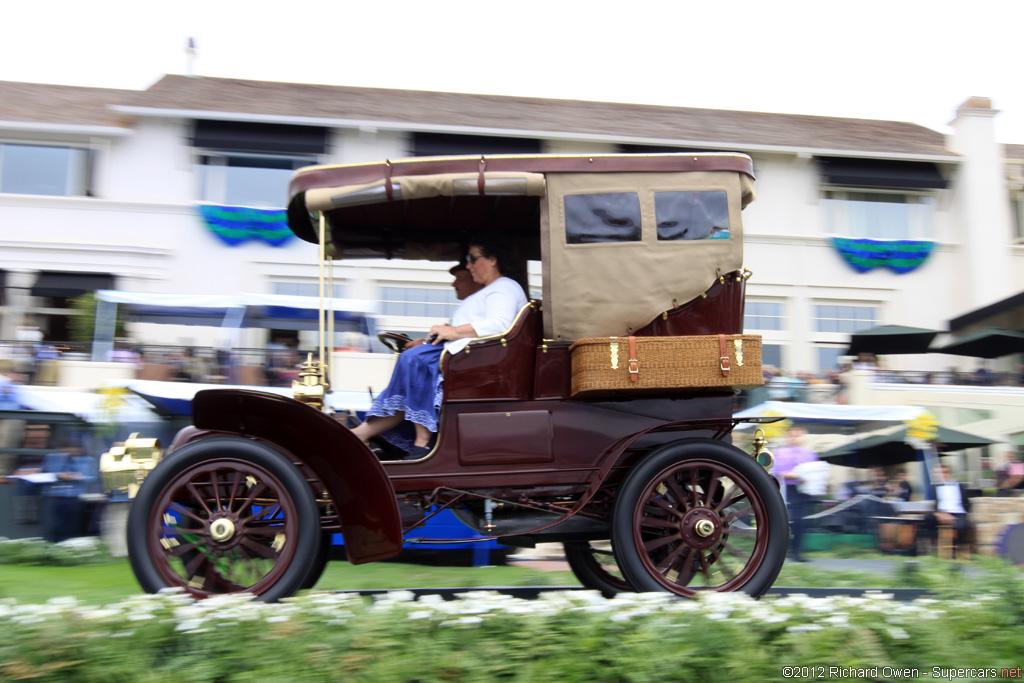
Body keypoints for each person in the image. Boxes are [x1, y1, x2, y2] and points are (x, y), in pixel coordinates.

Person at [351, 234, 528, 459]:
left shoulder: (504, 287)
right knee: (411, 367)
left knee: (414, 360)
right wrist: (430, 340)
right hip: (466, 356)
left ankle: (422, 442)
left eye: (473, 259)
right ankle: (361, 433)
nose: (469, 265)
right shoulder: (492, 290)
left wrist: (451, 331)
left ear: (493, 259)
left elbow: (499, 325)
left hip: (479, 362)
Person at [403, 262, 486, 351]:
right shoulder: (467, 306)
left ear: (476, 279)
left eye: (459, 278)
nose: (454, 284)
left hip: (464, 358)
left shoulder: (481, 306)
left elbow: (461, 341)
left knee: (409, 358)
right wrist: (425, 342)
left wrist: (424, 345)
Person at [772, 427, 821, 562]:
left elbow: (815, 471)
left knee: (800, 521)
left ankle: (796, 551)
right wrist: (798, 476)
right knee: (790, 519)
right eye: (792, 436)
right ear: (788, 437)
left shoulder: (809, 453)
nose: (795, 438)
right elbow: (779, 471)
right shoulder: (781, 452)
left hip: (804, 489)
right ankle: (786, 550)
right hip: (788, 488)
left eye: (798, 436)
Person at [41, 440, 99, 542]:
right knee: (56, 527)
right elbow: (46, 473)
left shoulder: (87, 460)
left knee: (73, 527)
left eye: (75, 450)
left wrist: (77, 477)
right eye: (66, 450)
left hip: (76, 497)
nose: (71, 452)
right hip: (55, 497)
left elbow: (94, 477)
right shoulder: (52, 458)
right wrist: (59, 475)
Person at [921, 464, 972, 554]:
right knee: (927, 519)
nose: (942, 475)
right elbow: (935, 504)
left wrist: (966, 513)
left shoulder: (959, 486)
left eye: (944, 472)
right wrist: (940, 513)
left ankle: (955, 549)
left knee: (962, 526)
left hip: (958, 513)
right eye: (939, 473)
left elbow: (967, 502)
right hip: (941, 513)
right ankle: (938, 543)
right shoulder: (935, 487)